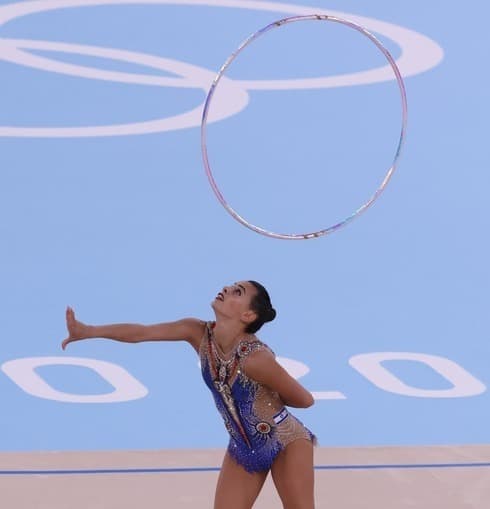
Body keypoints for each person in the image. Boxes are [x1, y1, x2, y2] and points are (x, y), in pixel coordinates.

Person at [62, 280, 316, 509]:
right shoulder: (196, 332)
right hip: (243, 446)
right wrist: (88, 331)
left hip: (285, 442)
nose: (227, 288)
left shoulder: (256, 358)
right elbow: (142, 333)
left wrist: (266, 405)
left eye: (237, 292)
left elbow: (304, 400)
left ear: (248, 314)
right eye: (230, 285)